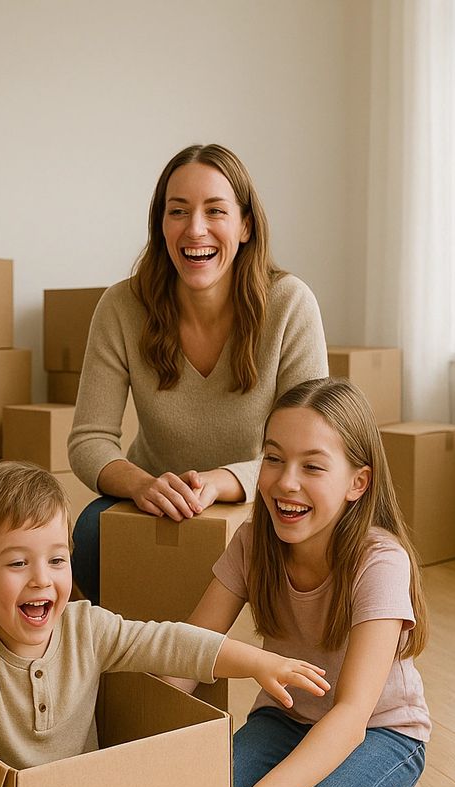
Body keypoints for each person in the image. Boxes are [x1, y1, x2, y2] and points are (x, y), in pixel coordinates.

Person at [0, 461, 329, 787]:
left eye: (56, 560)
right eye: (17, 563)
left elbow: (171, 643)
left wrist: (258, 662)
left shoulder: (86, 628)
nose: (41, 580)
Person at [68, 144, 328, 604]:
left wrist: (218, 482)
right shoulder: (121, 307)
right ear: (161, 225)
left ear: (245, 225)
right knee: (90, 532)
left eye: (215, 211)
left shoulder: (290, 304)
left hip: (259, 493)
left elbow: (311, 449)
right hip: (155, 496)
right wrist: (142, 484)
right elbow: (89, 440)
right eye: (178, 211)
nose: (195, 229)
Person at [183, 378, 429, 787]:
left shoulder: (381, 561)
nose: (286, 482)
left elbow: (353, 715)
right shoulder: (252, 543)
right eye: (273, 459)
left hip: (380, 732)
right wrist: (128, 740)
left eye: (312, 467)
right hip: (285, 718)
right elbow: (191, 649)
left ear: (358, 483)